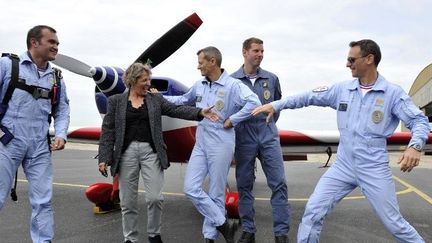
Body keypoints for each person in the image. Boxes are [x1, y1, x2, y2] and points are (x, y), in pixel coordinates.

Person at [252, 39, 429, 243]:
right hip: (343, 166)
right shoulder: (342, 90)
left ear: (369, 59)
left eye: (352, 59)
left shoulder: (392, 93)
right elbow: (308, 96)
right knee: (313, 211)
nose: (348, 64)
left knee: (394, 223)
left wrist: (415, 147)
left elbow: (419, 121)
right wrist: (276, 105)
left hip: (373, 167)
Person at [98, 62, 219, 243]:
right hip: (126, 154)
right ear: (132, 80)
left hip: (151, 152)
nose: (149, 83)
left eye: (149, 79)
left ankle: (154, 234)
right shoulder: (116, 102)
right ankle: (130, 238)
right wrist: (104, 157)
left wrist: (200, 112)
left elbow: (175, 109)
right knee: (127, 202)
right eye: (144, 80)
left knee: (155, 198)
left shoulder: (155, 99)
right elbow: (107, 130)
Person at [163, 46, 261, 243]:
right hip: (201, 141)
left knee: (216, 192)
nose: (198, 66)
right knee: (190, 188)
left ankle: (210, 236)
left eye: (201, 62)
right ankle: (224, 224)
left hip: (221, 142)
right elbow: (182, 100)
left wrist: (233, 119)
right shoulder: (199, 85)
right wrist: (156, 97)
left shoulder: (233, 85)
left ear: (212, 62)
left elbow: (254, 102)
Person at [0, 25, 70, 243]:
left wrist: (61, 134)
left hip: (40, 145)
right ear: (34, 42)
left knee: (43, 201)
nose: (56, 47)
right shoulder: (7, 65)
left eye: (57, 43)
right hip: (7, 141)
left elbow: (63, 109)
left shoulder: (56, 77)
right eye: (52, 42)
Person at [231, 37, 290, 243]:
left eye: (262, 51)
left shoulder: (272, 79)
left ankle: (281, 233)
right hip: (244, 138)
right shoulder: (232, 81)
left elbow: (277, 106)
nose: (260, 54)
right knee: (244, 185)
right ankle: (248, 230)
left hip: (268, 136)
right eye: (256, 51)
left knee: (279, 183)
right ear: (244, 52)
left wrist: (268, 126)